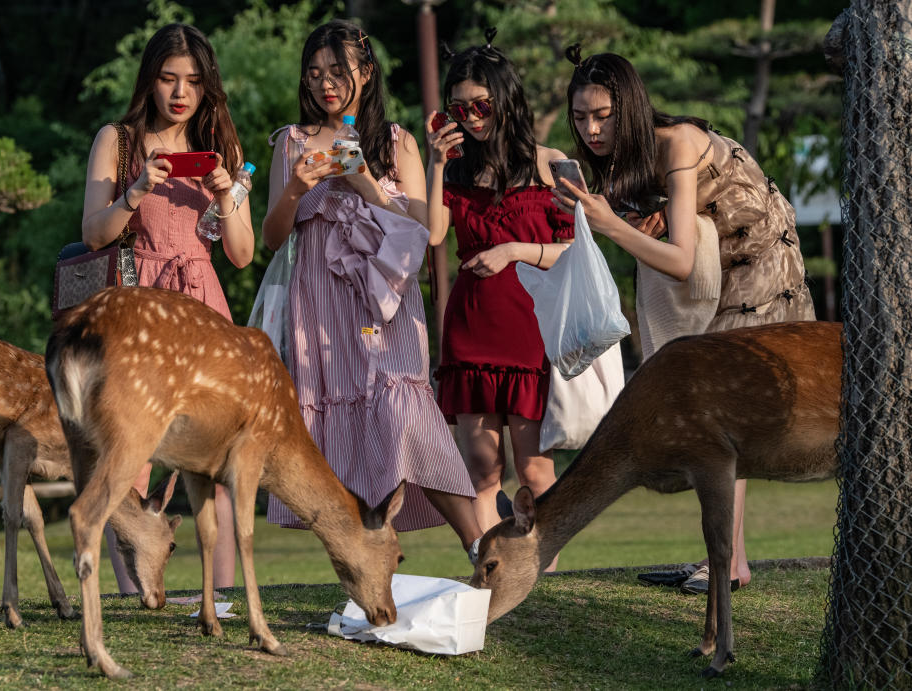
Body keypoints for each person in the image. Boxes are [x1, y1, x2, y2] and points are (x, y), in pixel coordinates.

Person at [553, 48, 816, 593]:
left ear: (629, 107)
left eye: (602, 115)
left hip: (756, 263)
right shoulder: (632, 158)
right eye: (580, 118)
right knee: (713, 411)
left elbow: (677, 256)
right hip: (714, 268)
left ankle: (729, 563)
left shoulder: (676, 143)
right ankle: (726, 559)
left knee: (725, 413)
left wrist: (608, 223)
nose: (592, 129)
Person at [261, 20, 482, 559]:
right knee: (340, 431)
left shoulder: (395, 142)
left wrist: (365, 183)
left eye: (338, 71)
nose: (325, 84)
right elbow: (271, 237)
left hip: (387, 307)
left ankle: (479, 544)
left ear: (367, 72)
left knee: (403, 412)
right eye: (314, 74)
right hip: (320, 309)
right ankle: (373, 562)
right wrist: (295, 188)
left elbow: (431, 228)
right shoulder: (292, 141)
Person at [82, 23, 254, 592]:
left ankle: (220, 592)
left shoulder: (223, 149)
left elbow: (241, 253)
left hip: (205, 308)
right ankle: (132, 593)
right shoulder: (118, 139)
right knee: (129, 458)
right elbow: (92, 234)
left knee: (216, 459)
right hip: (141, 312)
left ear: (208, 88)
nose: (180, 93)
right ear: (149, 80)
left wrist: (228, 193)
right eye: (168, 79)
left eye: (194, 82)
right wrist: (134, 191)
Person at [425, 30, 575, 568]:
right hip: (471, 331)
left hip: (532, 334)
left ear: (506, 100)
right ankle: (493, 574)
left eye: (481, 104)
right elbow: (435, 235)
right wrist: (436, 162)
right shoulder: (457, 171)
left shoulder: (551, 163)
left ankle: (546, 573)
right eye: (458, 108)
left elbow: (575, 251)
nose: (470, 116)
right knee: (482, 473)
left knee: (534, 471)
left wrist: (513, 249)